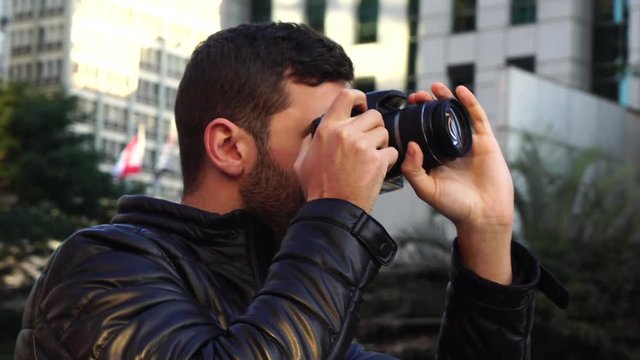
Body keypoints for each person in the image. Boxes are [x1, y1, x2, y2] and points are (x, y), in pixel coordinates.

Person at [14, 22, 567, 359]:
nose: (348, 150)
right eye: (320, 133)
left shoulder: (293, 297)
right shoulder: (102, 266)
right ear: (230, 147)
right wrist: (336, 214)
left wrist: (486, 233)